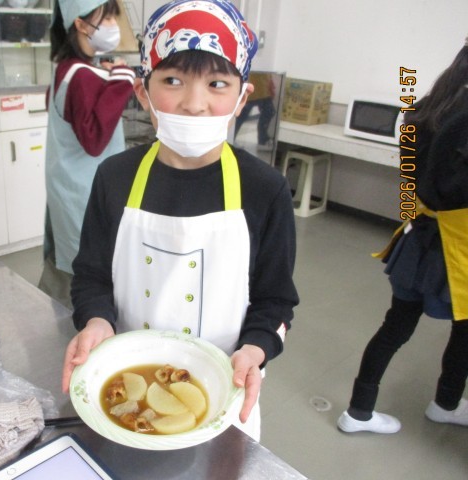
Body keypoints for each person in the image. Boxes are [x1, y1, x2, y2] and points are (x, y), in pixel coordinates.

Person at [61, 0, 299, 441]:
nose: (195, 104)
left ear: (242, 98)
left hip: (222, 389)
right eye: (172, 80)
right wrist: (96, 320)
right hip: (125, 386)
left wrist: (256, 349)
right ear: (143, 92)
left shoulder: (266, 189)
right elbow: (91, 276)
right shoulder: (115, 176)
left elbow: (276, 301)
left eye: (217, 84)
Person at [338, 42, 468, 434]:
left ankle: (359, 411)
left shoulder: (426, 108)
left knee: (395, 327)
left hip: (419, 235)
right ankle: (445, 404)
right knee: (464, 333)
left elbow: (414, 176)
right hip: (456, 247)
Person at [40, 0, 136, 308]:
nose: (113, 26)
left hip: (65, 185)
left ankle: (58, 315)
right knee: (87, 268)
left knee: (66, 258)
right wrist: (122, 78)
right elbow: (94, 140)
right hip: (85, 192)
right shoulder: (83, 76)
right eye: (105, 18)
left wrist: (106, 78)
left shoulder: (65, 69)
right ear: (80, 24)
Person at [234, 72, 277, 151]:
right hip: (254, 87)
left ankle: (262, 140)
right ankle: (262, 140)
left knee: (269, 111)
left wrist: (270, 83)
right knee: (241, 115)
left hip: (262, 87)